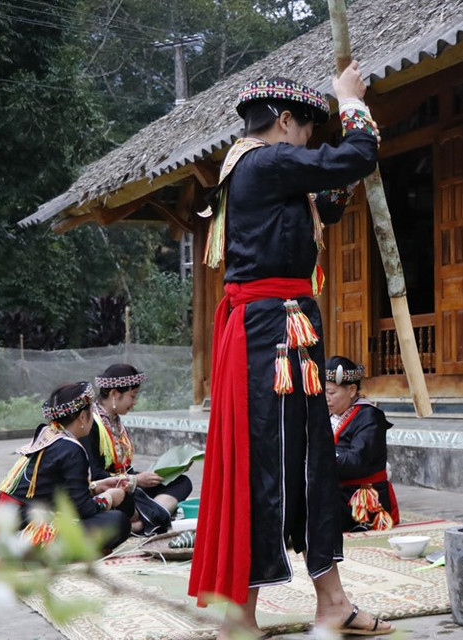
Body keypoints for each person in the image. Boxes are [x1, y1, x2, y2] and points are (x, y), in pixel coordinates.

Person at [187, 62, 393, 638]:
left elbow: (327, 200)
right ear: (283, 122)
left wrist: (345, 168)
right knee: (270, 463)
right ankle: (240, 616)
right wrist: (351, 102)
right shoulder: (266, 159)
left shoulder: (254, 169)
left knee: (309, 459)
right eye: (305, 131)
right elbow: (353, 157)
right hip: (272, 333)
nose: (306, 144)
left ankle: (331, 599)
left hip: (284, 326)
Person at [0, 382, 130, 555]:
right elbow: (82, 509)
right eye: (91, 413)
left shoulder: (49, 435)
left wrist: (95, 487)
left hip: (6, 529)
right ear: (82, 417)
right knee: (117, 521)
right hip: (27, 534)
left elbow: (56, 491)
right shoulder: (71, 449)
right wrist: (109, 497)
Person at [79, 364, 192, 537]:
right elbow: (95, 475)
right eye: (133, 396)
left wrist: (168, 470)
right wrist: (136, 481)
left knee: (182, 482)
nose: (134, 402)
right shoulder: (91, 425)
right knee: (126, 497)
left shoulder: (115, 421)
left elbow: (125, 466)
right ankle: (152, 517)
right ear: (115, 394)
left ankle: (144, 520)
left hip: (128, 485)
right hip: (110, 489)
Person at [325, 356, 399, 532]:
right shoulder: (328, 415)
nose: (326, 398)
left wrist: (320, 456)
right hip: (335, 489)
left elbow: (356, 462)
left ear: (351, 390)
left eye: (331, 393)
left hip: (359, 496)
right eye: (323, 393)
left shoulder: (369, 417)